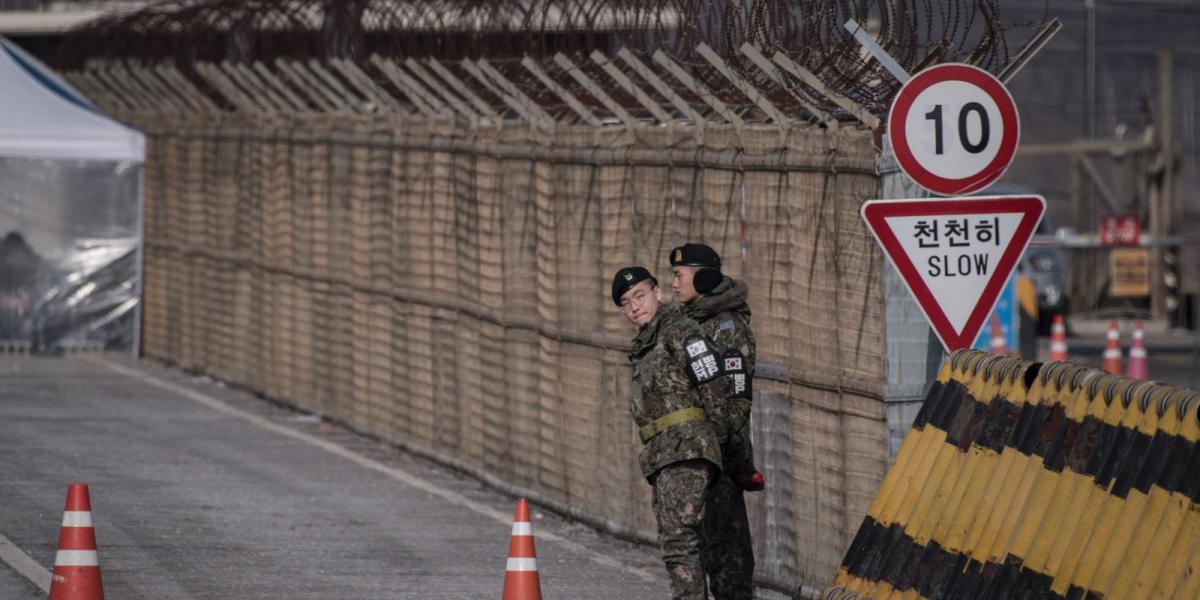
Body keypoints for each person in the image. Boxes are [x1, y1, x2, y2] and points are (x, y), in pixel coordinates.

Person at [612, 265, 723, 600]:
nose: (634, 307)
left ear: (657, 293)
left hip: (687, 449)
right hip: (666, 454)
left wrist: (715, 437)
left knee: (679, 540)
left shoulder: (678, 329)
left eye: (639, 296)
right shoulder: (647, 342)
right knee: (681, 540)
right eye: (626, 303)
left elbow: (713, 381)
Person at [670, 243, 760, 600]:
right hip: (698, 452)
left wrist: (725, 447)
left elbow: (736, 401)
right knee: (704, 549)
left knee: (727, 557)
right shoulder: (694, 322)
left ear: (704, 277)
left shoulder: (726, 328)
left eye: (680, 275)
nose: (674, 283)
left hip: (719, 457)